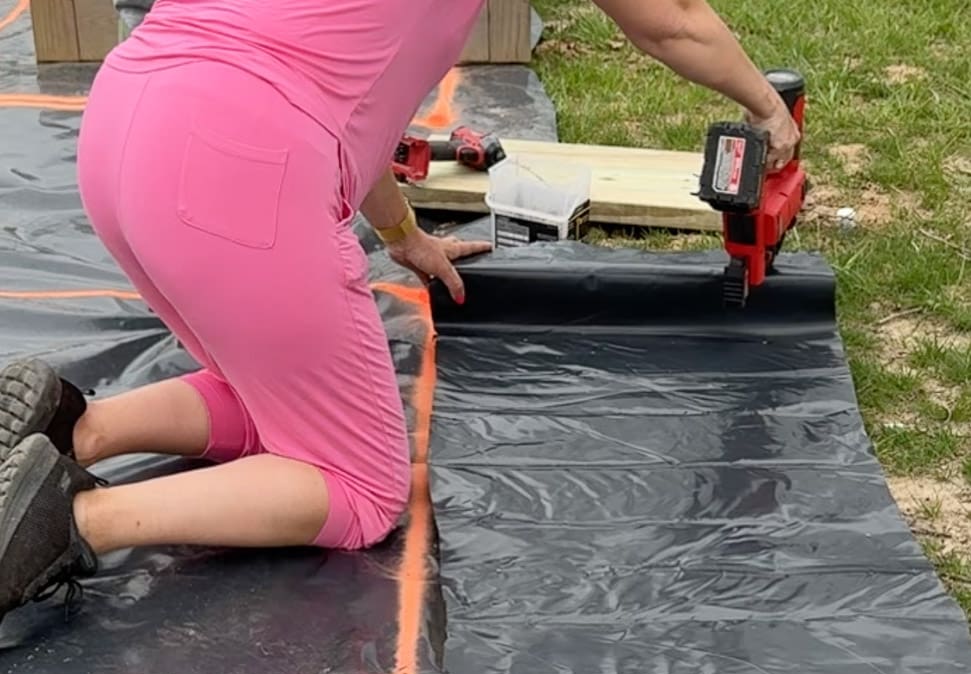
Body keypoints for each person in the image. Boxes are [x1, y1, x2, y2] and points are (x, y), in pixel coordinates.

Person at [0, 0, 800, 620]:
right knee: (358, 485)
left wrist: (401, 234)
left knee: (278, 392)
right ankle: (75, 520)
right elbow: (672, 22)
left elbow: (353, 94)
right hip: (226, 161)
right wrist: (767, 109)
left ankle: (76, 426)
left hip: (124, 128)